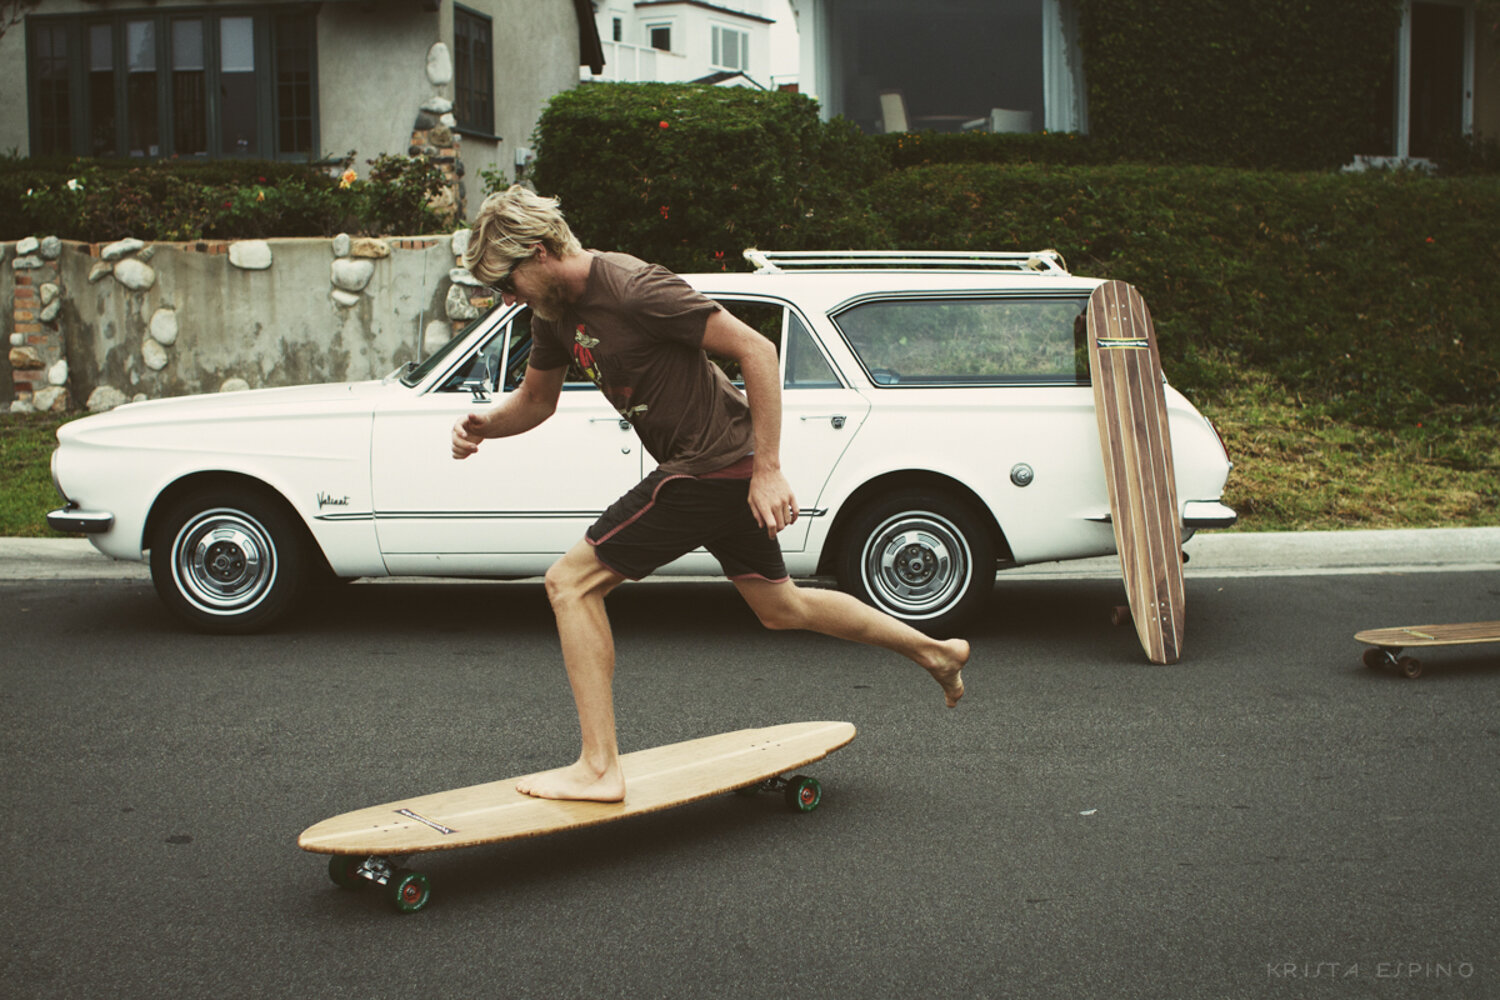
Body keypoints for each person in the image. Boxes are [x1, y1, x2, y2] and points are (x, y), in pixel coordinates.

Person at [452, 186, 969, 803]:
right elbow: (537, 401)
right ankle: (934, 650)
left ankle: (598, 768)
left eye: (507, 282)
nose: (507, 299)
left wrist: (769, 470)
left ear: (538, 252)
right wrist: (488, 425)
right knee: (782, 608)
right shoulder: (551, 315)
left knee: (569, 583)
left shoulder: (632, 286)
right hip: (720, 467)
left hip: (712, 466)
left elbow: (757, 348)